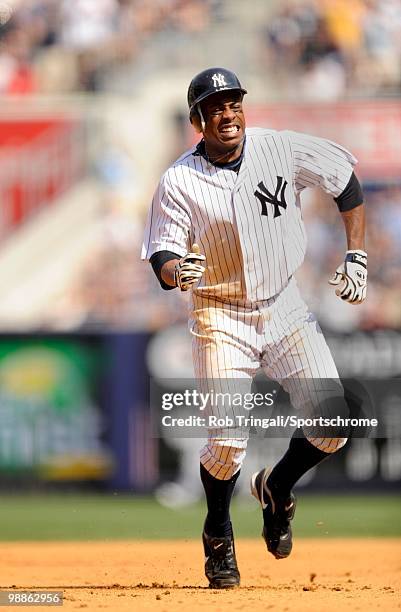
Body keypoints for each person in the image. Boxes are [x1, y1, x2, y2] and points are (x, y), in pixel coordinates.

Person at [141, 67, 367, 589]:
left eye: (234, 103)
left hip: (283, 303)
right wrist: (178, 271)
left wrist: (357, 255)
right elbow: (162, 254)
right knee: (226, 442)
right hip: (219, 312)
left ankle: (277, 486)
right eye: (215, 107)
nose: (228, 114)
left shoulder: (279, 148)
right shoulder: (179, 179)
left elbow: (345, 180)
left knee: (333, 424)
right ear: (198, 120)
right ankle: (218, 532)